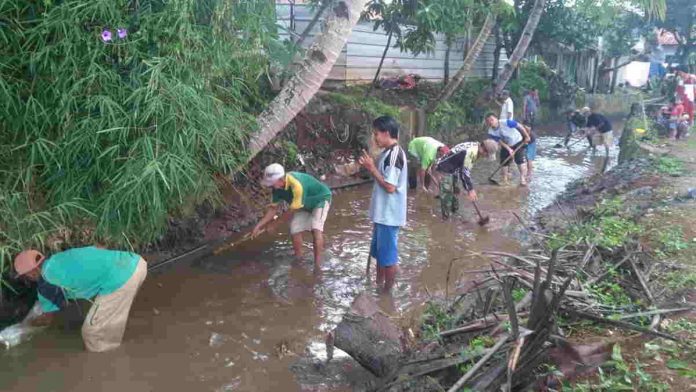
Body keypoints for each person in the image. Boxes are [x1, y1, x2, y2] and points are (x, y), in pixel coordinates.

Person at [12, 246, 147, 352]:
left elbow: (47, 318)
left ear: (32, 272)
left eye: (25, 276)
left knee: (92, 333)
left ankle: (106, 361)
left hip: (122, 280)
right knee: (110, 311)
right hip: (135, 261)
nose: (26, 279)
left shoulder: (46, 283)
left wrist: (25, 325)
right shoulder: (59, 258)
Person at [358, 116, 408, 293]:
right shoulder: (387, 153)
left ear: (387, 133)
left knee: (388, 258)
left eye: (376, 134)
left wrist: (372, 168)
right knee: (380, 254)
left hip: (389, 215)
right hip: (382, 214)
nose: (375, 138)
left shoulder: (394, 155)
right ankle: (378, 286)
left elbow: (390, 187)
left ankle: (386, 294)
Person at [253, 164, 332, 269]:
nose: (270, 186)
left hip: (320, 200)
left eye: (271, 183)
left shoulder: (296, 185)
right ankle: (299, 259)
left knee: (316, 228)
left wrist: (274, 224)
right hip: (302, 204)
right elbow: (273, 209)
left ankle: (317, 267)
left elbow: (292, 211)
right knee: (294, 229)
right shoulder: (276, 189)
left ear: (280, 179)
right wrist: (259, 226)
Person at [434, 139, 499, 219]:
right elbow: (464, 173)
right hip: (444, 168)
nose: (485, 156)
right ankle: (446, 220)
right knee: (447, 194)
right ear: (483, 149)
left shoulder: (476, 146)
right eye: (486, 154)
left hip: (454, 168)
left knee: (456, 191)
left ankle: (454, 213)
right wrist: (470, 190)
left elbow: (465, 170)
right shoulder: (471, 152)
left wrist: (468, 188)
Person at [485, 112, 531, 186]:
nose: (490, 122)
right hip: (506, 144)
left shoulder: (506, 122)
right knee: (503, 162)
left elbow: (519, 126)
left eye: (491, 120)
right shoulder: (490, 132)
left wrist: (526, 136)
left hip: (517, 141)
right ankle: (505, 179)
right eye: (488, 121)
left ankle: (523, 179)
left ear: (496, 119)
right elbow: (499, 141)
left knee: (520, 161)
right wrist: (509, 149)